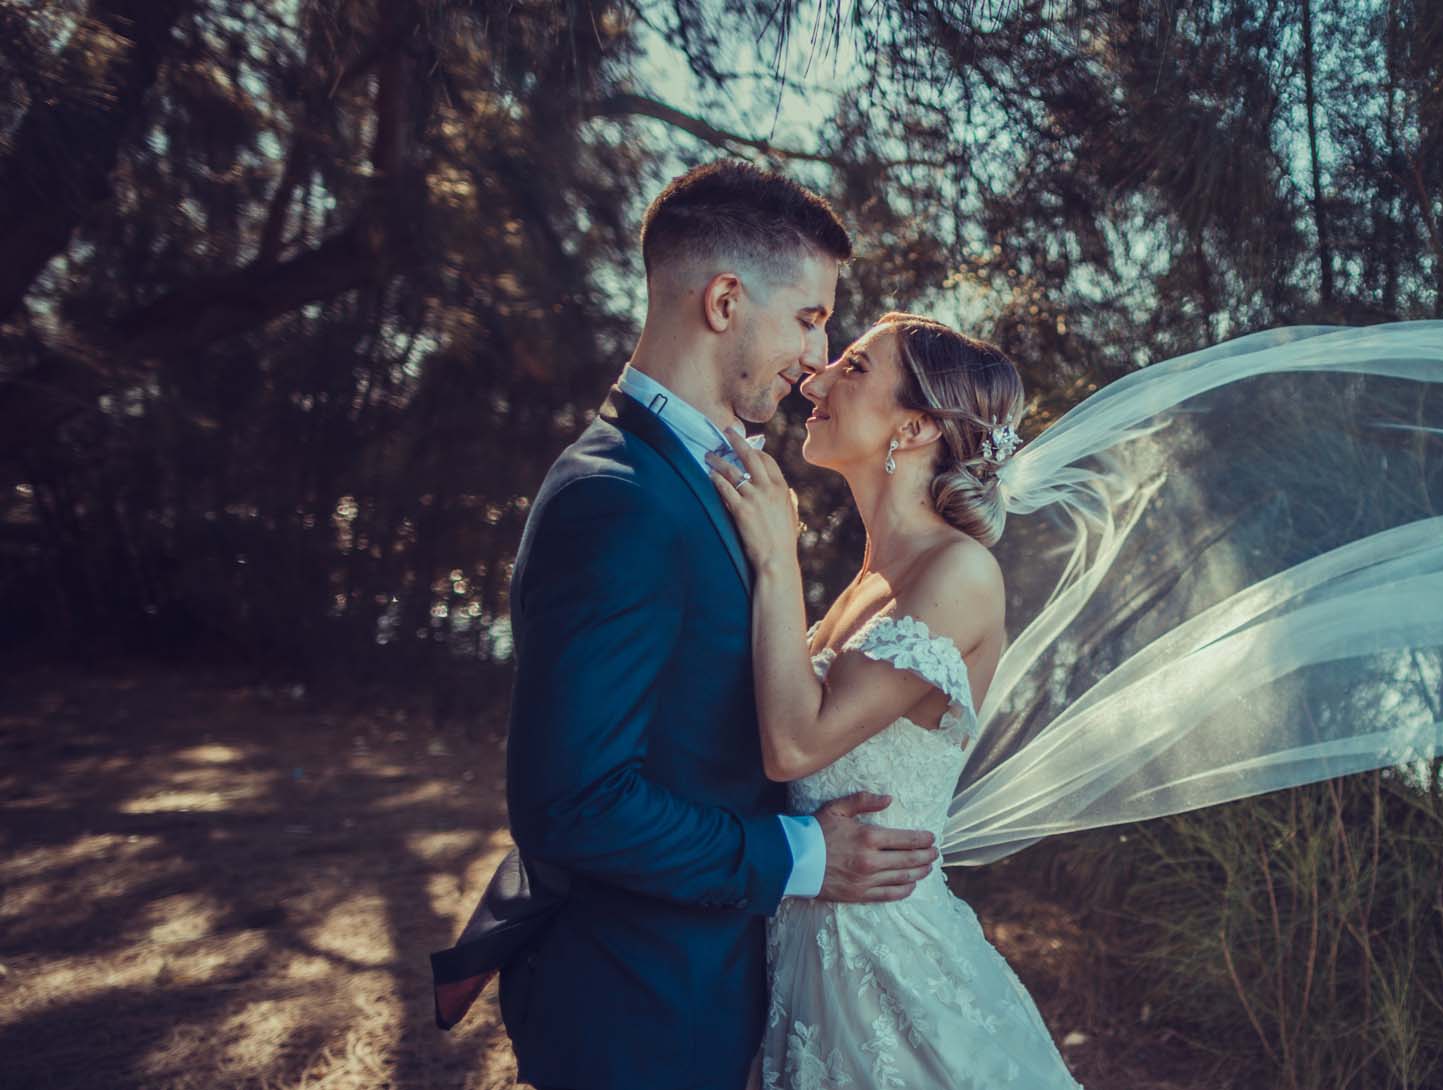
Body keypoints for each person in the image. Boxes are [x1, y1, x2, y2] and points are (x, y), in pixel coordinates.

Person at [442, 160, 943, 1090]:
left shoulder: (703, 476)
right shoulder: (618, 496)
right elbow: (573, 805)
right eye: (808, 316)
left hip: (704, 989)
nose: (819, 355)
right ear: (723, 300)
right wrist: (804, 855)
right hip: (635, 1009)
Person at [706, 312, 1080, 1088]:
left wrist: (779, 558)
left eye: (853, 367)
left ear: (912, 428)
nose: (815, 380)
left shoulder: (960, 573)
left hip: (893, 973)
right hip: (805, 952)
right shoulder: (871, 581)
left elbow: (796, 746)